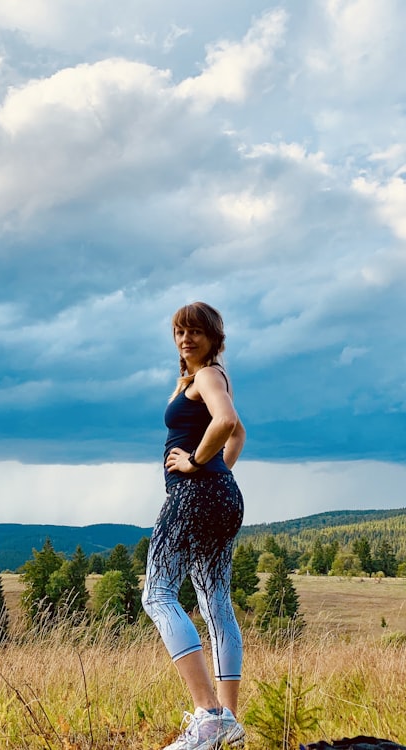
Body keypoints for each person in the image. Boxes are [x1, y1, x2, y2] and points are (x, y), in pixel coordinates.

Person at [142, 301, 247, 750]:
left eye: (195, 333)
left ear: (213, 338)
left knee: (157, 593)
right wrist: (219, 470)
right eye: (179, 333)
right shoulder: (202, 379)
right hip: (221, 497)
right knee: (215, 602)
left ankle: (207, 714)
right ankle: (228, 721)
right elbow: (238, 431)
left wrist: (196, 464)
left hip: (196, 497)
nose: (186, 339)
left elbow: (225, 422)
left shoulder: (207, 375)